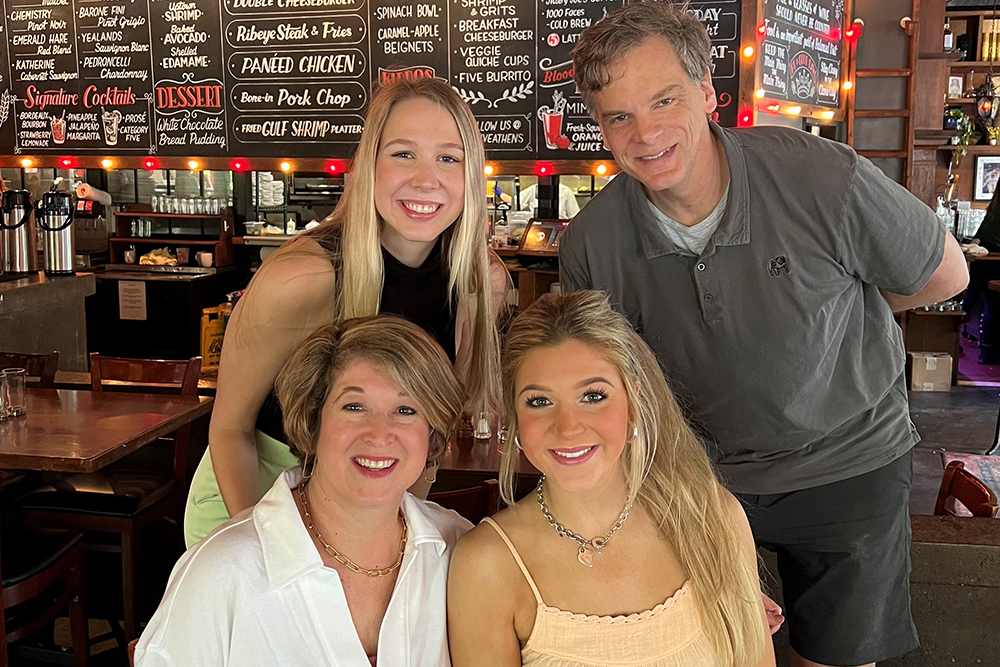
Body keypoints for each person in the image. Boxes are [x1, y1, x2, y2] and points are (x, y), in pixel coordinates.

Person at [559, 4, 969, 667]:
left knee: (830, 658)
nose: (647, 132)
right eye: (619, 116)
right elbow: (613, 391)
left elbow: (945, 274)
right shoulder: (593, 242)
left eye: (664, 100)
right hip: (701, 479)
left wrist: (836, 313)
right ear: (602, 129)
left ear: (705, 91)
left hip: (848, 462)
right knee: (714, 652)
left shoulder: (820, 177)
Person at [184, 77, 509, 547]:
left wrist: (398, 519)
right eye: (402, 153)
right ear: (368, 166)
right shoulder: (302, 278)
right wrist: (267, 545)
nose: (425, 179)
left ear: (473, 176)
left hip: (365, 505)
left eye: (448, 158)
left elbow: (428, 431)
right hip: (255, 498)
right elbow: (231, 429)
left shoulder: (482, 284)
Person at [448, 291, 774, 667]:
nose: (568, 428)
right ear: (515, 416)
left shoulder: (712, 516)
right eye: (539, 401)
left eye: (593, 396)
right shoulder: (486, 563)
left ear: (633, 402)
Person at [136, 316, 471, 666]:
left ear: (432, 435)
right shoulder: (221, 572)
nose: (378, 434)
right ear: (313, 422)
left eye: (406, 410)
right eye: (353, 407)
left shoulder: (462, 551)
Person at [499, 181, 581, 218]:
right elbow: (515, 202)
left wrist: (500, 193)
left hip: (559, 229)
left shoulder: (566, 191)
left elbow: (574, 216)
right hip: (535, 228)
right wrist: (501, 194)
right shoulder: (534, 189)